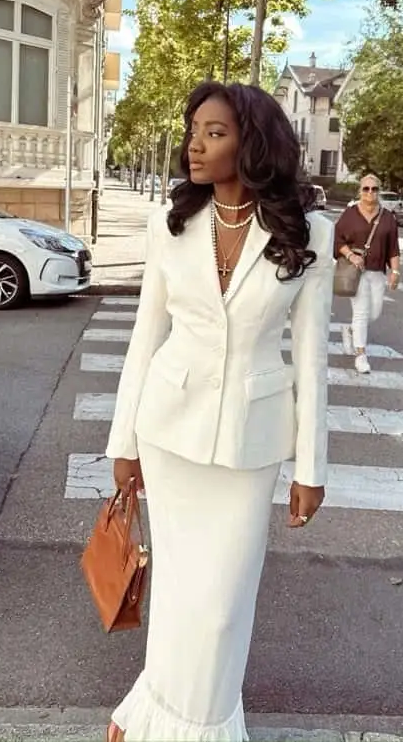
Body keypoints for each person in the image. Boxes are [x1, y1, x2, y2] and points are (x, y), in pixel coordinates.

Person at [104, 81, 334, 742]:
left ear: (252, 142)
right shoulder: (169, 224)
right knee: (178, 596)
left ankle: (184, 727)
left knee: (221, 608)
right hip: (169, 434)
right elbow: (145, 335)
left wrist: (311, 467)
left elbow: (314, 360)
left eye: (214, 132)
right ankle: (150, 718)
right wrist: (124, 442)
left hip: (249, 446)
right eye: (194, 130)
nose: (195, 144)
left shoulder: (304, 233)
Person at [334, 173, 400, 374]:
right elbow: (336, 240)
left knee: (375, 312)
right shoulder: (350, 214)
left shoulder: (387, 218)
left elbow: (393, 248)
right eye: (366, 188)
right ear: (360, 191)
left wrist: (395, 270)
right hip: (356, 272)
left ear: (379, 191)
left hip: (377, 271)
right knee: (361, 312)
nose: (370, 192)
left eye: (374, 189)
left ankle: (351, 330)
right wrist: (351, 256)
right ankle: (361, 354)